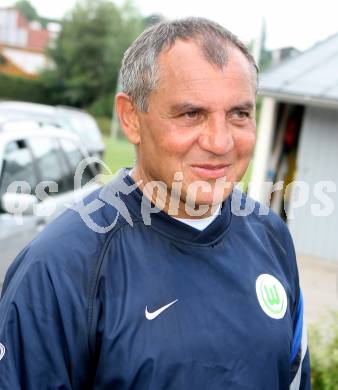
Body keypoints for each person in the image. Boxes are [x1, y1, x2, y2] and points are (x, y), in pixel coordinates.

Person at [0, 17, 310, 389]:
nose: (220, 142)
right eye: (191, 114)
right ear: (131, 118)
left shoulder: (272, 237)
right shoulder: (60, 265)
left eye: (239, 114)